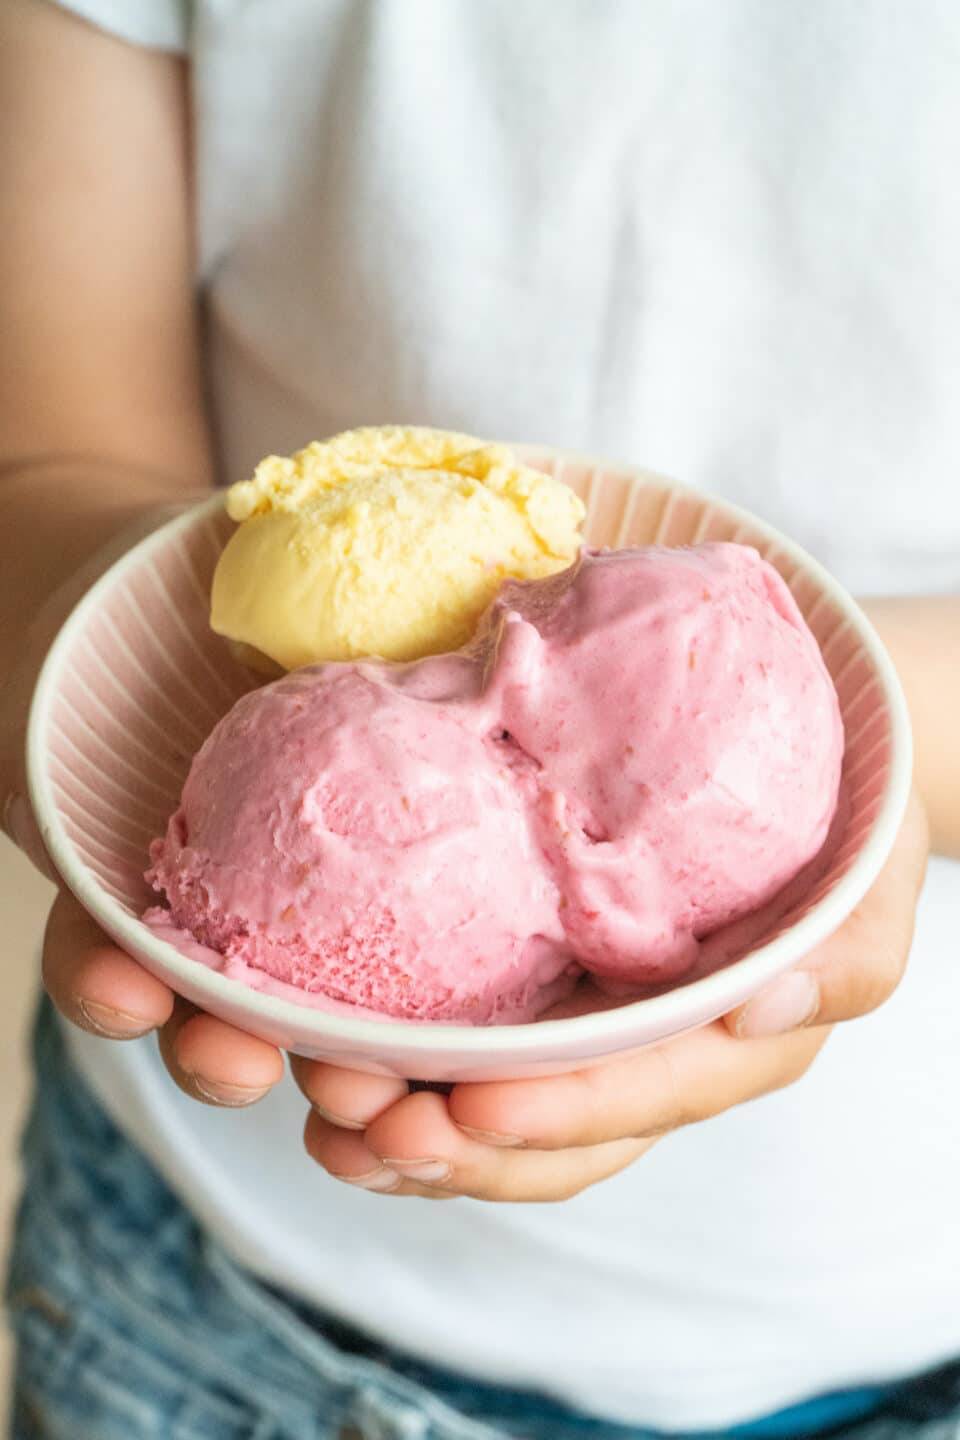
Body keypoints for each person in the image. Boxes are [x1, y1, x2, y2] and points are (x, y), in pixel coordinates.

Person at [0, 1, 957, 1437]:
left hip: (900, 1299)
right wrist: (65, 619)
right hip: (192, 1286)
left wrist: (879, 752)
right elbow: (45, 437)